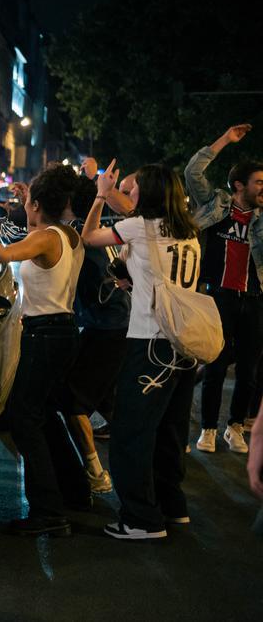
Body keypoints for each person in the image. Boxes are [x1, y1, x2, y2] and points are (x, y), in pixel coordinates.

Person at [0, 165, 87, 536]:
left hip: (46, 335)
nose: (23, 205)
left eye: (27, 200)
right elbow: (19, 239)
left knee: (24, 419)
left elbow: (3, 254)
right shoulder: (67, 234)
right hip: (61, 332)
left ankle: (48, 512)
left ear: (36, 205)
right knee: (43, 414)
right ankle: (74, 490)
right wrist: (28, 203)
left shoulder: (45, 238)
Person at [82, 161, 201, 540]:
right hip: (183, 342)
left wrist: (100, 195)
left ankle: (141, 519)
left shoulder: (140, 226)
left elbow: (88, 237)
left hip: (150, 342)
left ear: (147, 193)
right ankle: (172, 507)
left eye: (134, 188)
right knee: (169, 429)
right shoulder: (189, 231)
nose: (129, 193)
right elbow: (161, 276)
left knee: (132, 430)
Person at [185, 124, 263, 455]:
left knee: (248, 370)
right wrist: (225, 140)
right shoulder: (216, 205)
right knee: (215, 367)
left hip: (255, 299)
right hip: (218, 297)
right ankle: (208, 429)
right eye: (259, 182)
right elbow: (192, 171)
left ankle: (235, 427)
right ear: (239, 185)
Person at [59, 164, 133, 494]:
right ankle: (148, 461)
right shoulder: (95, 228)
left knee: (72, 402)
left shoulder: (76, 233)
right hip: (113, 324)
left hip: (106, 327)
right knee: (107, 399)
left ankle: (95, 472)